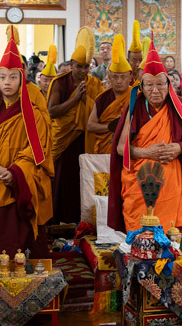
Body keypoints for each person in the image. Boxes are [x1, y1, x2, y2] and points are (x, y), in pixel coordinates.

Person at [108, 38, 182, 235]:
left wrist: (180, 148)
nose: (155, 91)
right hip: (142, 172)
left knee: (173, 177)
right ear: (142, 87)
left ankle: (174, 241)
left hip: (173, 174)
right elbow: (121, 148)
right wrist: (149, 152)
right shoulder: (135, 107)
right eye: (149, 86)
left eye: (160, 85)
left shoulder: (180, 106)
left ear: (169, 84)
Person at [0, 26, 52, 261]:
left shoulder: (34, 113)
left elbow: (37, 150)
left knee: (21, 242)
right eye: (3, 77)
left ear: (22, 79)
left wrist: (15, 172)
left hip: (21, 180)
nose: (7, 82)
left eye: (13, 77)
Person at [48, 26, 104, 224]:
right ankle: (57, 219)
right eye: (78, 66)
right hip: (64, 139)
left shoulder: (95, 84)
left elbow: (100, 112)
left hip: (85, 138)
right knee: (61, 179)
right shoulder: (59, 83)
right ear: (71, 64)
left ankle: (80, 220)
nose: (82, 71)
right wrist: (76, 99)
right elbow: (52, 111)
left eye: (86, 66)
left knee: (81, 180)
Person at [88, 34, 133, 154]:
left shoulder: (136, 96)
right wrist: (110, 127)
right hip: (106, 151)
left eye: (123, 77)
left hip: (130, 148)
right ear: (109, 77)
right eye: (115, 77)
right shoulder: (102, 98)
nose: (119, 81)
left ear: (130, 77)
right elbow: (90, 126)